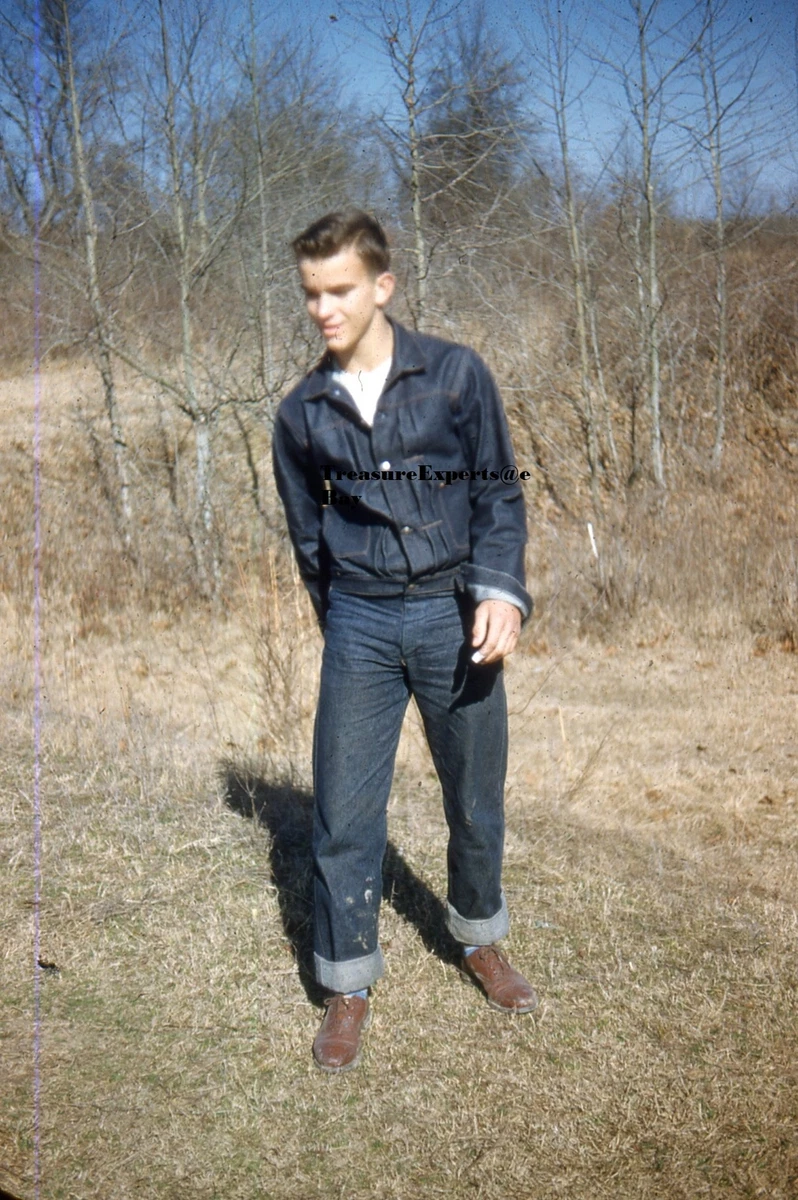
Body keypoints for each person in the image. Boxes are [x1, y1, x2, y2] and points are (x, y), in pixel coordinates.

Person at [272, 209, 538, 1073]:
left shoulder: (456, 378)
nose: (323, 308)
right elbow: (309, 540)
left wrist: (500, 593)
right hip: (360, 620)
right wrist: (346, 620)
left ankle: (479, 937)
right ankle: (346, 983)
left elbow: (500, 495)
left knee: (474, 795)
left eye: (339, 289)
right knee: (345, 812)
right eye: (311, 293)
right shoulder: (301, 414)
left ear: (383, 286)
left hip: (455, 616)